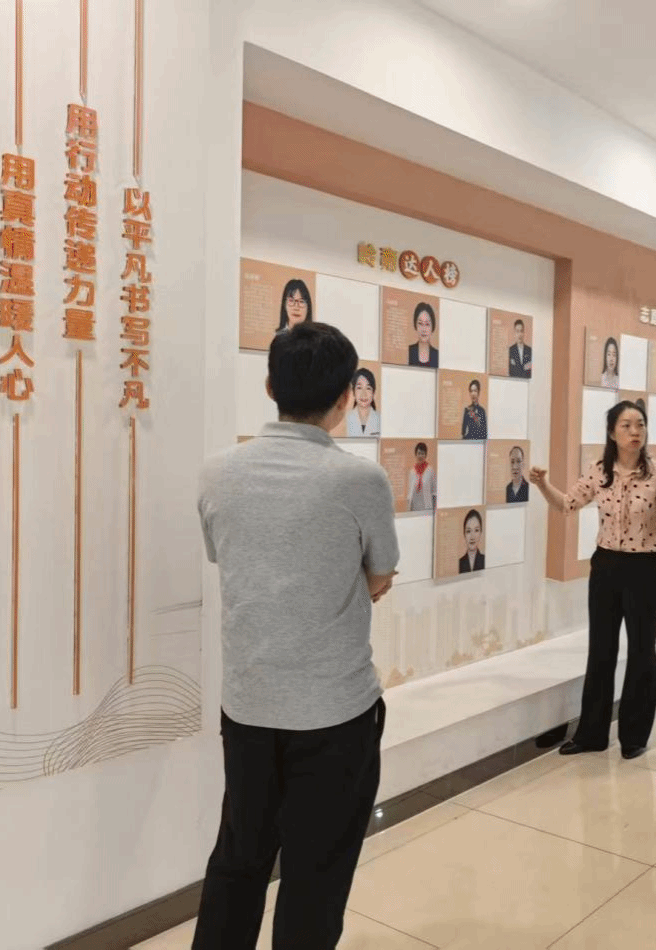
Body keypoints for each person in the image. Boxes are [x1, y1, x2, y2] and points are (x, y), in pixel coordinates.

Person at [194, 321, 399, 950]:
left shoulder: (217, 472)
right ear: (345, 398)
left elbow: (225, 557)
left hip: (248, 707)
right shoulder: (359, 479)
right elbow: (381, 575)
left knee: (238, 861)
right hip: (335, 713)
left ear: (269, 386)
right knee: (316, 876)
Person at [531, 401, 656, 758]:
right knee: (601, 649)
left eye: (640, 424)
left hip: (644, 568)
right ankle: (592, 734)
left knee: (641, 650)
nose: (635, 432)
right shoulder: (600, 471)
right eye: (627, 425)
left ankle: (634, 736)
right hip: (605, 567)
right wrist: (542, 484)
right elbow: (567, 504)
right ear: (612, 432)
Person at [345, 367, 381, 437]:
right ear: (353, 392)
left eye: (368, 388)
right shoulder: (346, 418)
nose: (363, 394)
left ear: (373, 392)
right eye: (359, 388)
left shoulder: (380, 418)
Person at [407, 302, 439, 368]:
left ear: (432, 327)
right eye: (420, 323)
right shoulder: (408, 351)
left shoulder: (438, 355)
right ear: (415, 325)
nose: (424, 329)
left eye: (427, 324)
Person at [406, 442, 436, 512]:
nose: (420, 456)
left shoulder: (430, 471)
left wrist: (434, 510)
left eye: (422, 453)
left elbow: (434, 492)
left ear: (425, 455)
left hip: (426, 508)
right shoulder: (412, 472)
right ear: (415, 454)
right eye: (419, 453)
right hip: (414, 507)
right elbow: (410, 492)